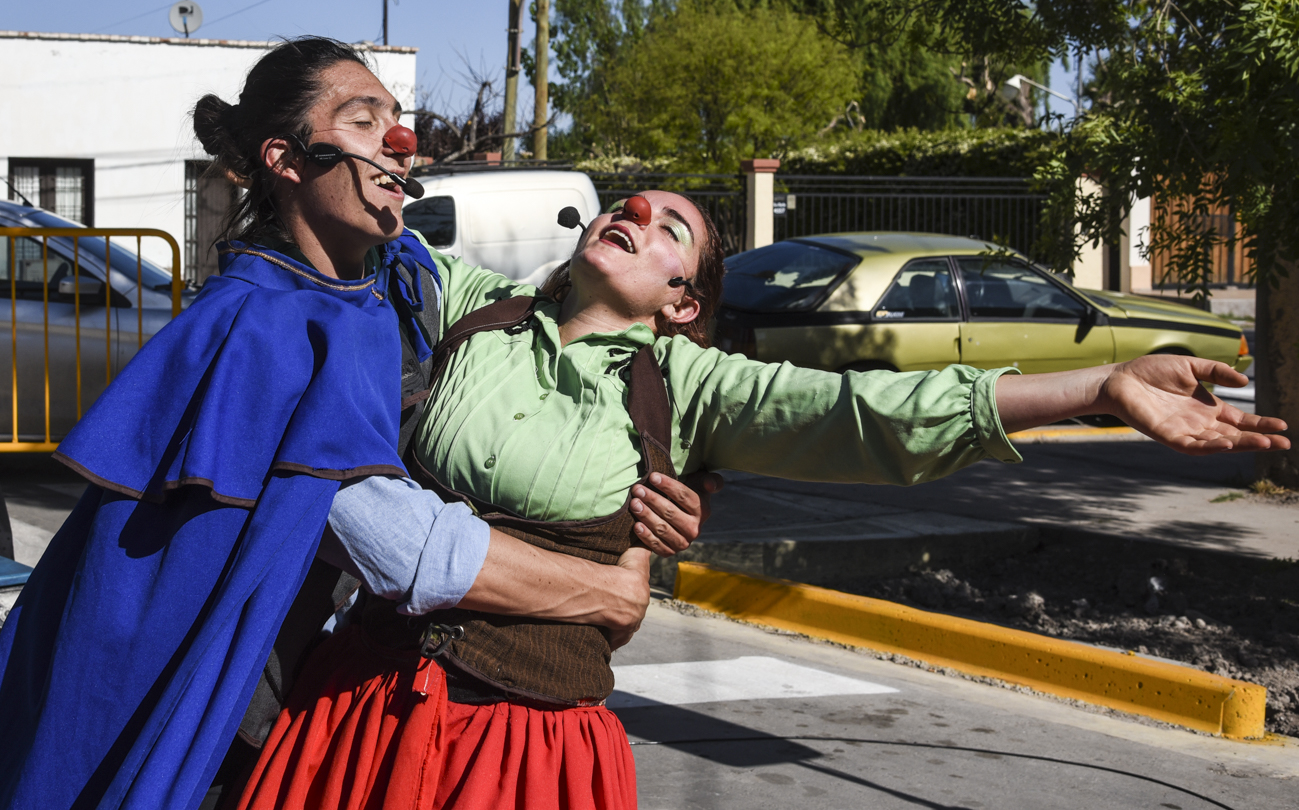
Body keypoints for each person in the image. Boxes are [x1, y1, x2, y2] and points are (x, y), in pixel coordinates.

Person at [235, 186, 1289, 810]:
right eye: (629, 206)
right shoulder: (471, 307)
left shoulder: (688, 386)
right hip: (359, 706)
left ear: (681, 301)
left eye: (670, 229)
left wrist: (1098, 387)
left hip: (522, 747)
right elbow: (351, 236)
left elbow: (871, 413)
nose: (635, 214)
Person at [0, 38, 710, 810]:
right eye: (364, 121)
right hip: (172, 657)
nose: (401, 141)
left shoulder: (395, 282)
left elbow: (526, 348)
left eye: (397, 119)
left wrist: (658, 495)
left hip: (281, 663)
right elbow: (396, 544)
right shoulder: (262, 320)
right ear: (285, 158)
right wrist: (608, 591)